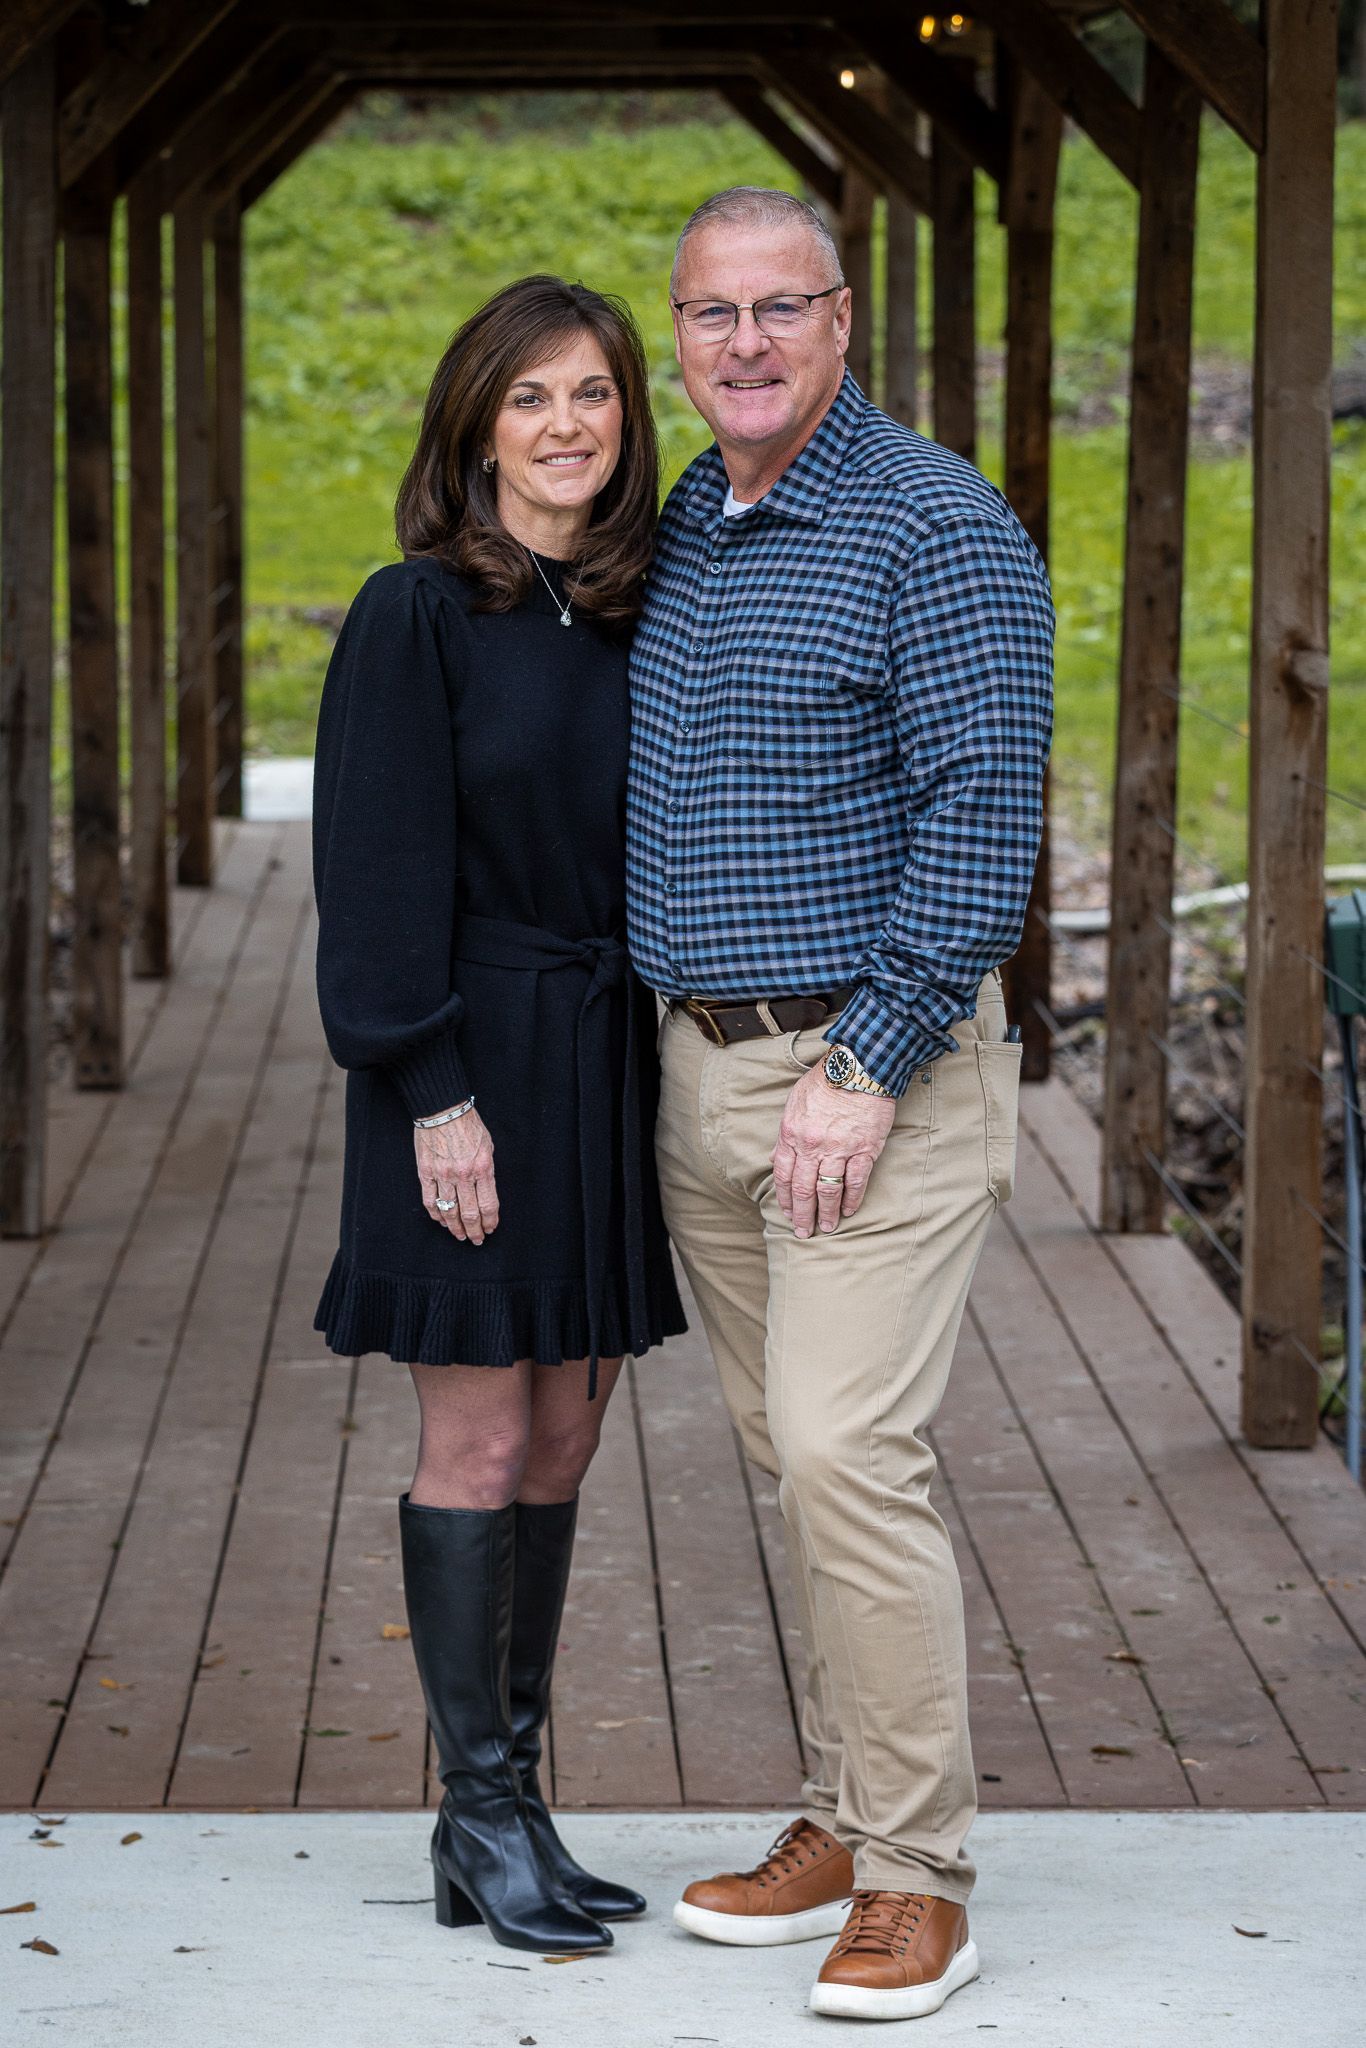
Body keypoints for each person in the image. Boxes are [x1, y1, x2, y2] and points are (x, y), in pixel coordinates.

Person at [627, 188, 1054, 2022]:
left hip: (865, 1075)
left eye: (776, 310)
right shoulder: (690, 521)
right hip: (701, 1071)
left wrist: (862, 1064)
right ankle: (836, 1807)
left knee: (845, 1458)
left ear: (842, 319)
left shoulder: (933, 525)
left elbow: (983, 818)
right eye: (711, 315)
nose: (742, 344)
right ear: (680, 333)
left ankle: (915, 1875)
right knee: (783, 1464)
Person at [311, 274, 686, 1956]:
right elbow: (373, 877)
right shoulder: (416, 613)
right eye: (528, 397)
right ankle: (471, 1814)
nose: (564, 426)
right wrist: (430, 1093)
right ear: (473, 425)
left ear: (627, 421)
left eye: (593, 394)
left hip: (598, 1058)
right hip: (464, 1062)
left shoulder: (626, 606)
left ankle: (513, 1804)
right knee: (472, 1437)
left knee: (566, 1432)